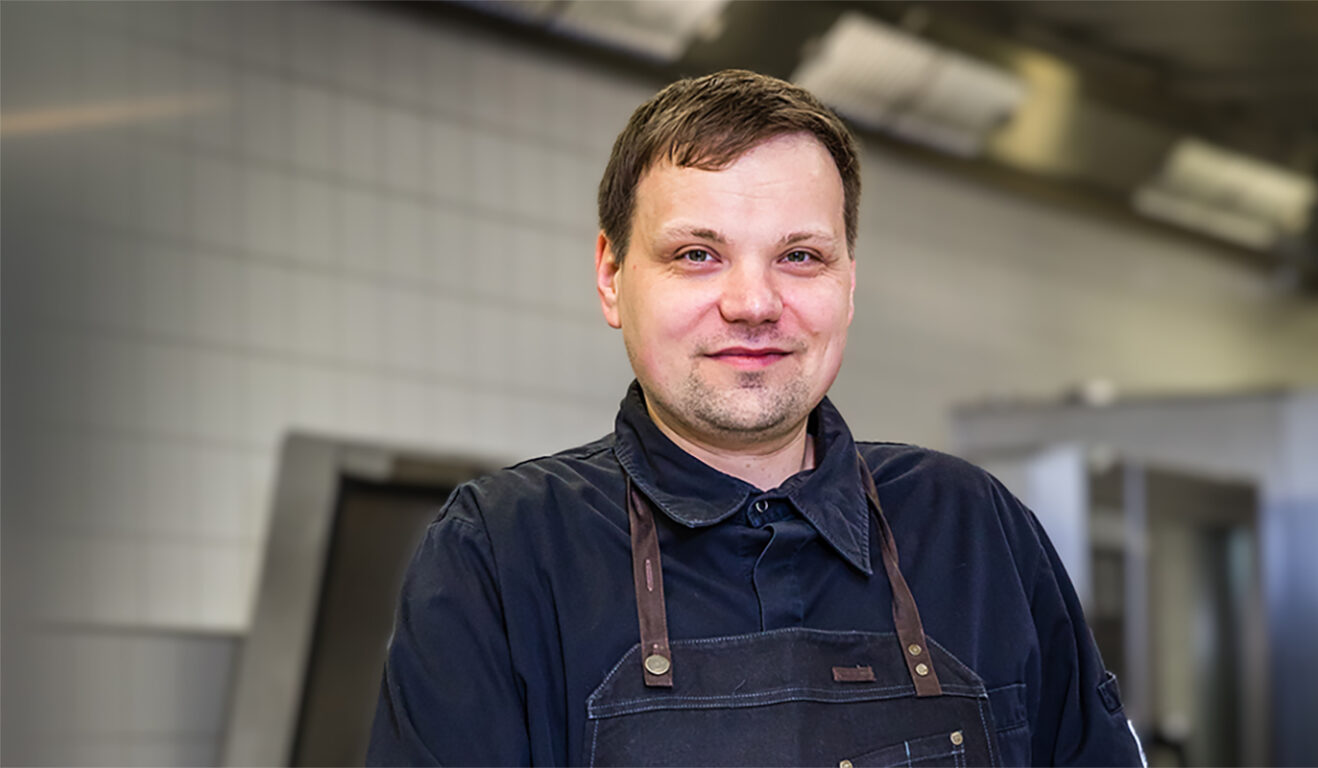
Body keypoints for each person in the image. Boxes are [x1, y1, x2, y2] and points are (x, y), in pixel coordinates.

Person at [367, 69, 1143, 767]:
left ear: (847, 285)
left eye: (800, 256)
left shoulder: (978, 531)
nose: (753, 304)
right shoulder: (500, 556)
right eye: (697, 254)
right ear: (611, 276)